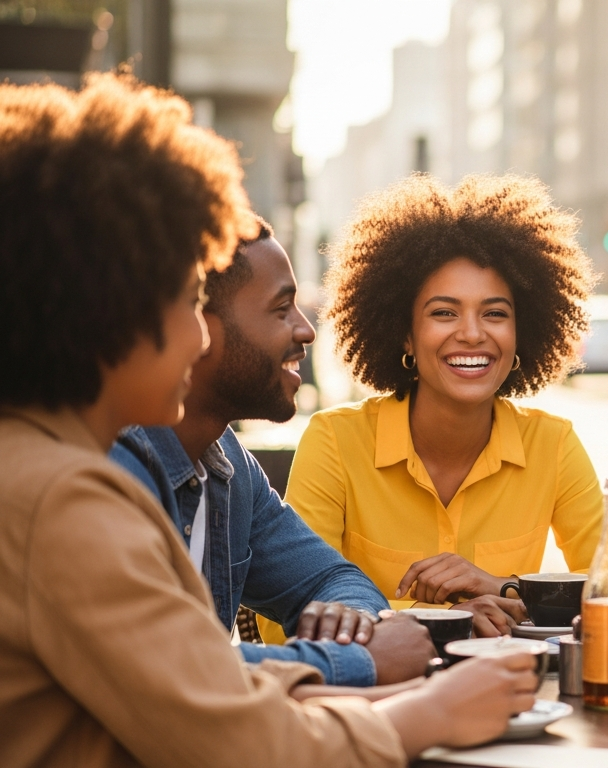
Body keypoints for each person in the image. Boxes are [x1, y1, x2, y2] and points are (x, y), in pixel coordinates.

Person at [0, 72, 539, 768]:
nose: (197, 335)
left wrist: (364, 686)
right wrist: (427, 712)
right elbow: (232, 739)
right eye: (184, 299)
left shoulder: (55, 466)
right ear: (111, 309)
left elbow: (194, 682)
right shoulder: (66, 499)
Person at [109, 219, 434, 686]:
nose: (306, 330)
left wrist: (351, 619)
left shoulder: (229, 464)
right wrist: (363, 660)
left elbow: (333, 579)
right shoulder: (113, 467)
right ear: (196, 325)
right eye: (282, 309)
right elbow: (158, 667)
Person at [284, 173, 602, 635]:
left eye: (495, 313)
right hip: (377, 700)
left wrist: (503, 589)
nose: (473, 333)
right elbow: (287, 615)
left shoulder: (552, 444)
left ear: (521, 334)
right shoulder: (335, 441)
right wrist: (437, 618)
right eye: (443, 313)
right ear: (406, 335)